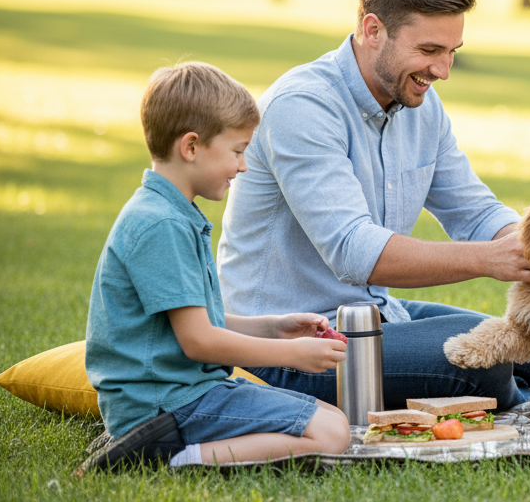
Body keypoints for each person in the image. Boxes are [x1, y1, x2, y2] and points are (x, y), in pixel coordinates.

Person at [217, 0, 530, 411]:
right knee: (484, 359)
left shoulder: (420, 104)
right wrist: (489, 259)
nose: (442, 71)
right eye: (429, 51)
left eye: (452, 52)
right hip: (289, 346)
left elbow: (474, 211)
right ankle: (520, 402)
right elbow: (354, 251)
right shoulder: (303, 107)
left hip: (377, 315)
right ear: (373, 31)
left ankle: (514, 389)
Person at [83, 62, 351, 471]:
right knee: (331, 434)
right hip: (165, 406)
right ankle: (168, 458)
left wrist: (273, 327)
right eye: (237, 151)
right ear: (191, 147)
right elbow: (199, 342)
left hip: (184, 393)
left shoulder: (170, 213)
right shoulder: (161, 225)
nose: (243, 166)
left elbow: (194, 321)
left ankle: (177, 448)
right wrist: (290, 354)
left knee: (332, 418)